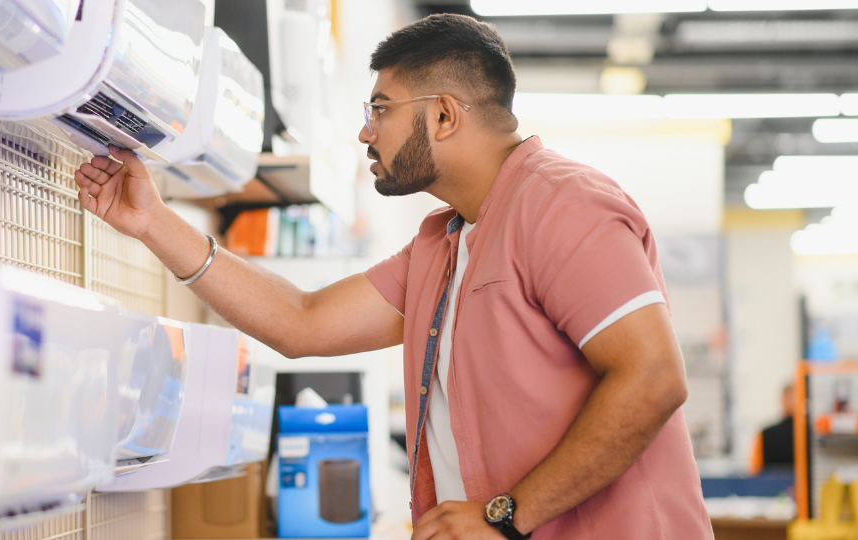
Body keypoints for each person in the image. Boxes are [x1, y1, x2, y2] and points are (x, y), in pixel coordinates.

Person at [72, 13, 710, 540]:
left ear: (443, 116)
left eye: (381, 108)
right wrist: (154, 222)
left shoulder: (564, 206)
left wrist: (508, 515)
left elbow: (653, 378)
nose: (364, 131)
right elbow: (304, 323)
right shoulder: (445, 242)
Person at [749, 383, 797, 475]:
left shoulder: (765, 434)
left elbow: (754, 472)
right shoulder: (808, 436)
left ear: (782, 400)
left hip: (769, 487)